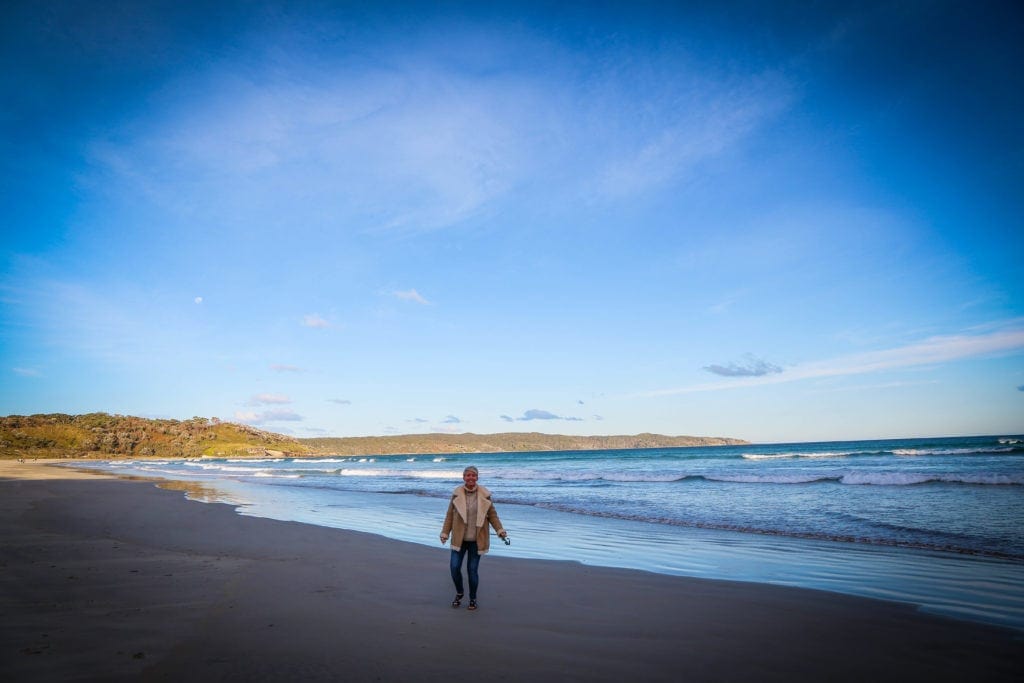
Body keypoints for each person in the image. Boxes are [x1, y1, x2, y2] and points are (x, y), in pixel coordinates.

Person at [440, 465, 507, 611]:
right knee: (454, 567)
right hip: (459, 538)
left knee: (472, 570)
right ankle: (459, 592)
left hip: (477, 540)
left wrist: (500, 530)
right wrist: (445, 532)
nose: (470, 477)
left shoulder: (485, 495)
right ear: (463, 477)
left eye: (473, 475)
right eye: (468, 475)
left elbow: (493, 516)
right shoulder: (456, 495)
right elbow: (449, 516)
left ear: (477, 477)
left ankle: (472, 599)